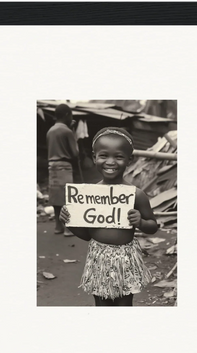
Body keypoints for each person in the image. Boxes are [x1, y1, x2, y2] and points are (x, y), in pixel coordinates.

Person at [59, 127, 158, 306]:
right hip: (99, 258)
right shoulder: (88, 195)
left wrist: (141, 222)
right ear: (94, 156)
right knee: (102, 304)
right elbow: (87, 235)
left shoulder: (136, 195)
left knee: (124, 304)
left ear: (130, 160)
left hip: (125, 260)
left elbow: (153, 226)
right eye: (104, 155)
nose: (110, 162)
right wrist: (69, 222)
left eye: (118, 157)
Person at [47, 104, 78, 236]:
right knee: (68, 197)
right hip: (64, 166)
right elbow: (75, 153)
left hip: (52, 166)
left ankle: (58, 226)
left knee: (55, 197)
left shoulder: (50, 131)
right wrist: (73, 132)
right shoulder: (67, 131)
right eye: (70, 115)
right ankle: (68, 228)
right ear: (67, 115)